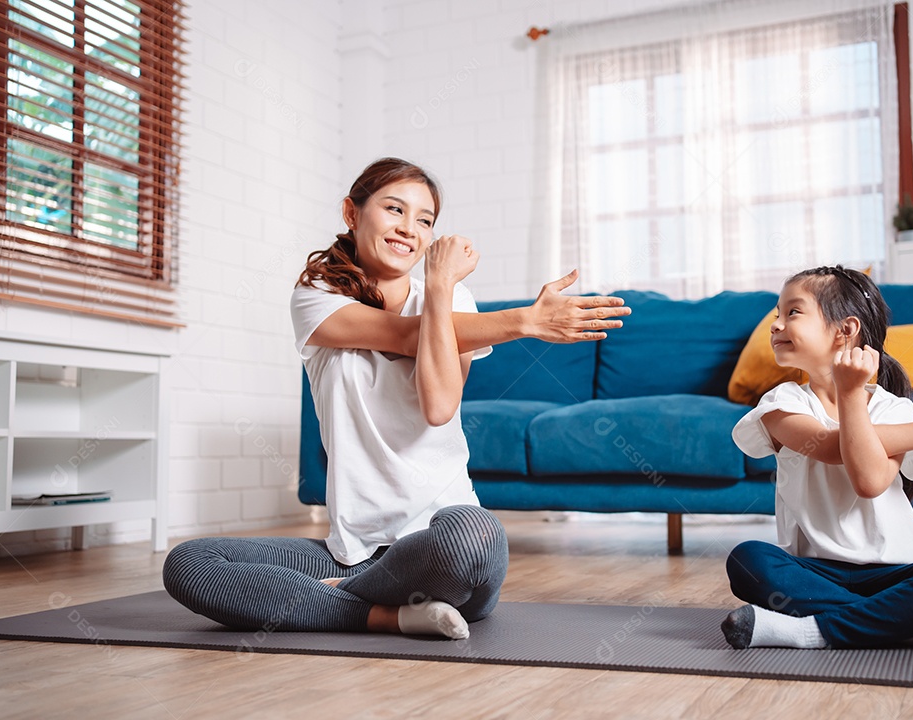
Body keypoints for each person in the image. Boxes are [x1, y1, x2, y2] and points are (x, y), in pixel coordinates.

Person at [163, 157, 631, 639]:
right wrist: (525, 321)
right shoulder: (316, 296)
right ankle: (386, 614)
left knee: (474, 534)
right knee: (190, 564)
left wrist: (442, 286)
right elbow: (405, 336)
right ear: (352, 212)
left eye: (425, 220)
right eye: (394, 209)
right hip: (352, 552)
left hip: (442, 546)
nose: (409, 229)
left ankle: (329, 600)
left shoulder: (455, 299)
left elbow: (439, 406)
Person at [722, 265, 913, 653]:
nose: (776, 324)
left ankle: (807, 632)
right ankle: (912, 622)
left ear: (845, 330)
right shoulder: (780, 404)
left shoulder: (893, 408)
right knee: (747, 560)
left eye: (792, 312)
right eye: (776, 314)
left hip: (898, 571)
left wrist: (852, 395)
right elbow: (833, 447)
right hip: (817, 572)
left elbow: (868, 480)